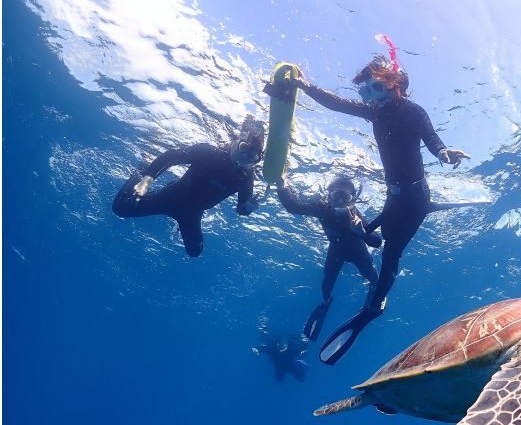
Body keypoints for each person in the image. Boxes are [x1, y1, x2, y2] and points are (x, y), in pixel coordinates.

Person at [264, 56, 471, 364]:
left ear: (394, 83)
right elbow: (336, 104)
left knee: (391, 254)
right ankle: (373, 294)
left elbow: (431, 138)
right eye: (365, 92)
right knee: (374, 238)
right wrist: (304, 86)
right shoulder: (374, 113)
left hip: (416, 200)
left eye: (376, 88)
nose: (371, 97)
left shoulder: (414, 111)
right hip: (393, 199)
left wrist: (444, 153)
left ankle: (373, 307)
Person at [112, 116, 263, 257]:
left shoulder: (245, 177)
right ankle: (141, 169)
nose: (245, 157)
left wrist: (247, 208)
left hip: (191, 213)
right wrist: (146, 180)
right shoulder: (208, 152)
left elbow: (241, 208)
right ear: (235, 141)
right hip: (170, 197)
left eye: (252, 155)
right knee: (119, 208)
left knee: (194, 251)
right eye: (244, 148)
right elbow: (170, 157)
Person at [276, 174, 382, 341]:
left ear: (352, 200)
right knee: (327, 283)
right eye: (336, 195)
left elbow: (377, 241)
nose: (339, 201)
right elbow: (293, 207)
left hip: (358, 252)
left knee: (373, 278)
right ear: (329, 196)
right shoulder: (322, 208)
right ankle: (325, 303)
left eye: (345, 197)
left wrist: (362, 232)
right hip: (336, 252)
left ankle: (375, 290)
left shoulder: (355, 216)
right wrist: (282, 186)